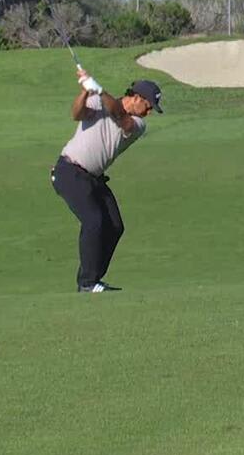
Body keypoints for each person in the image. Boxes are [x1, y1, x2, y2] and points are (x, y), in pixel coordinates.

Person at [51, 67, 163, 292]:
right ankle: (87, 282)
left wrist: (99, 90)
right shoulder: (100, 103)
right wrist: (85, 91)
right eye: (148, 106)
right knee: (94, 221)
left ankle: (94, 279)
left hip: (93, 178)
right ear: (137, 98)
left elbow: (120, 116)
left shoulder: (138, 125)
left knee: (115, 225)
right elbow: (76, 114)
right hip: (69, 171)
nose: (149, 112)